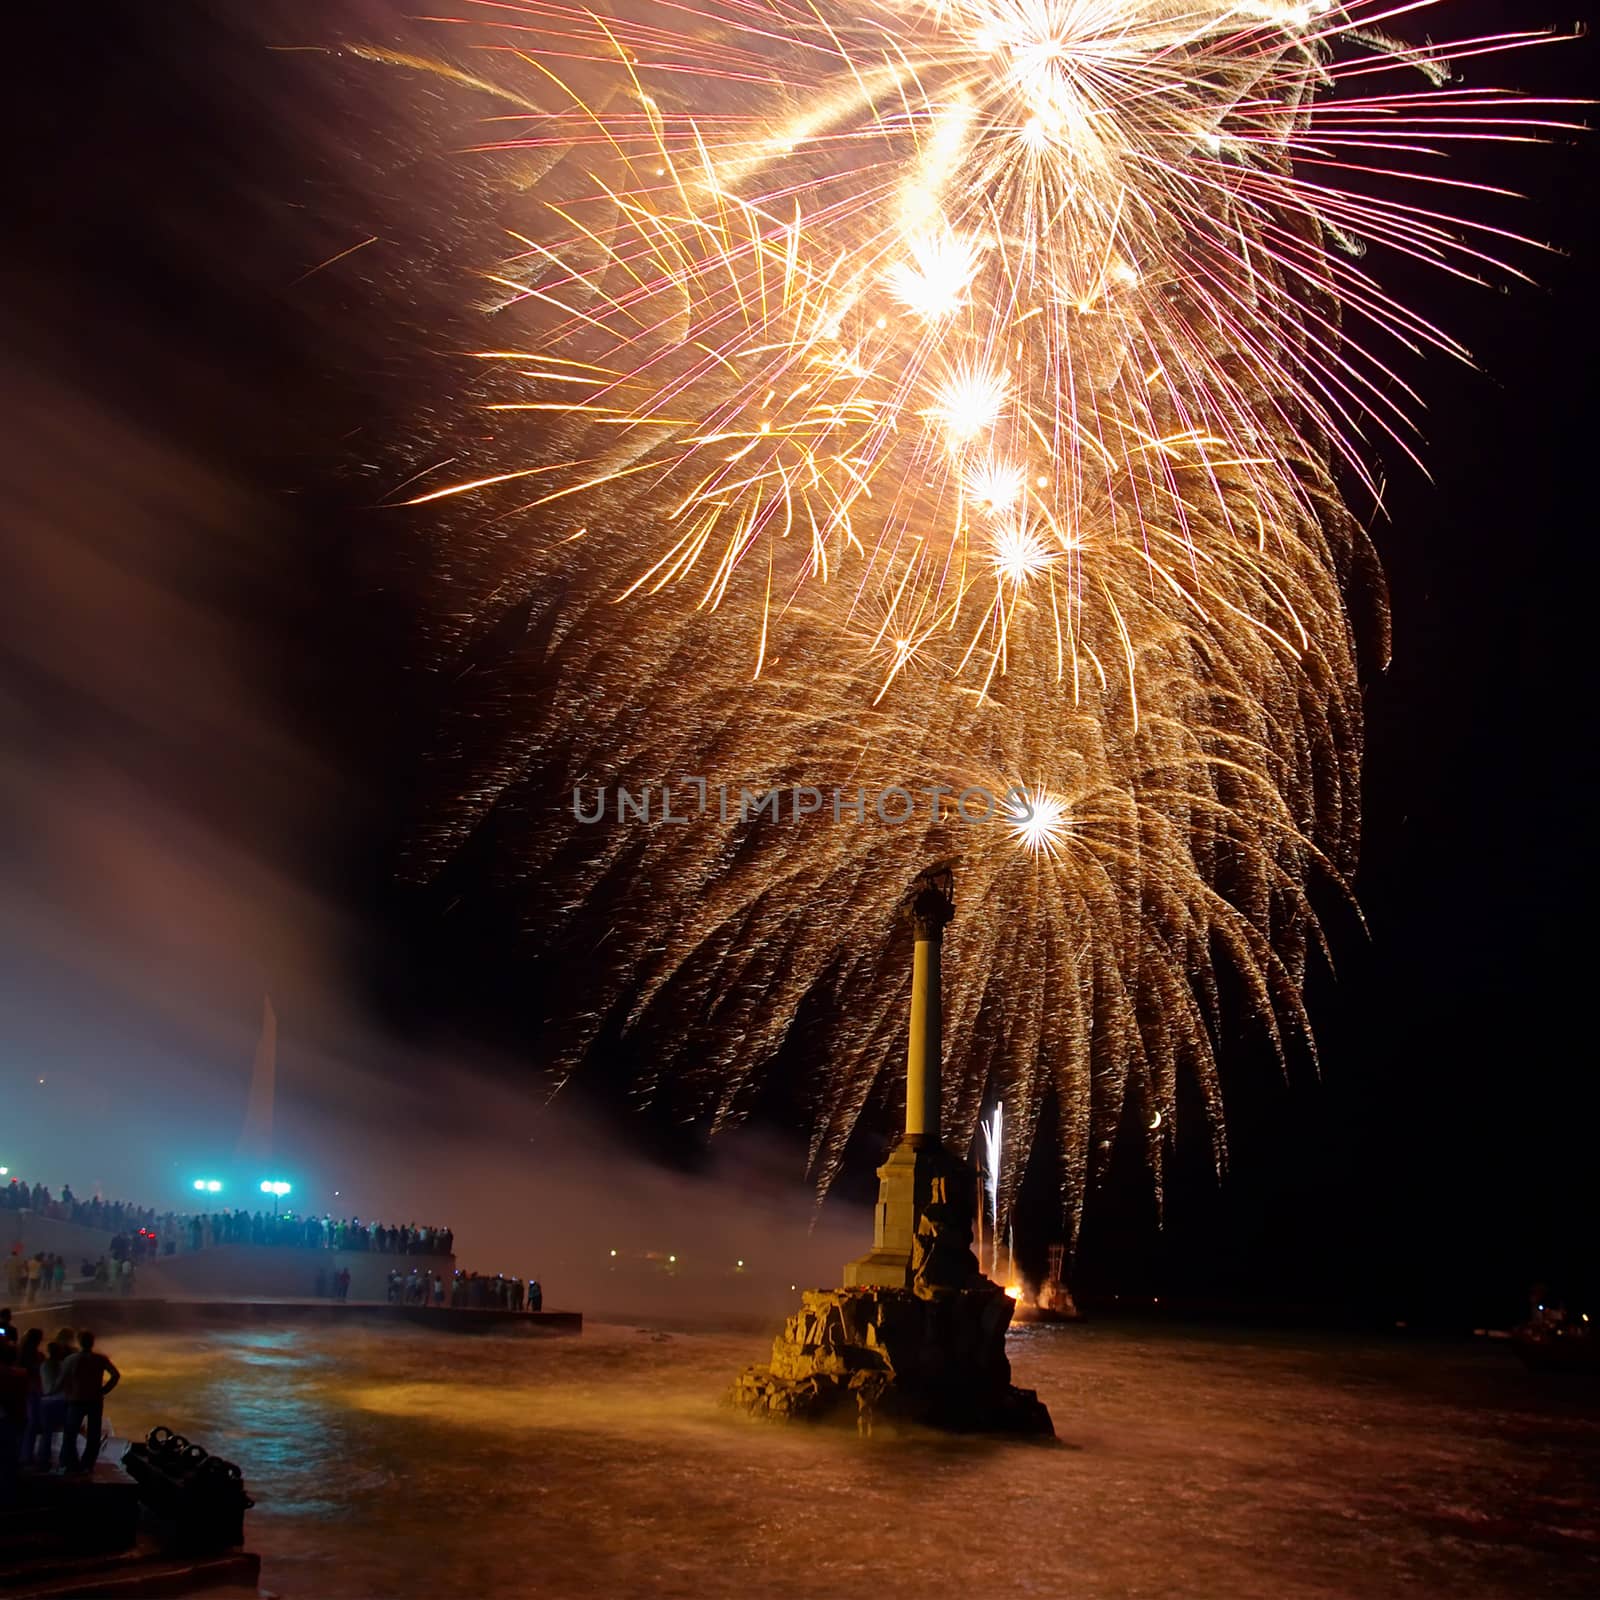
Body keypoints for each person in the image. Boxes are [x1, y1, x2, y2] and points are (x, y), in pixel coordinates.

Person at [59, 1330, 119, 1473]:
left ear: (79, 1342)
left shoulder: (71, 1359)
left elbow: (63, 1380)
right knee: (93, 1434)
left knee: (70, 1433)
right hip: (95, 1399)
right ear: (92, 1342)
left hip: (76, 1399)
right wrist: (104, 1390)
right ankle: (88, 1463)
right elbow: (115, 1375)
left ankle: (71, 1462)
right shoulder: (100, 1359)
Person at [35, 1339, 70, 1469]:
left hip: (46, 1402)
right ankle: (65, 1459)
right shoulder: (63, 1365)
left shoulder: (44, 1365)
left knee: (47, 1433)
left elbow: (45, 1385)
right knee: (67, 1432)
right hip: (61, 1401)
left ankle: (43, 1460)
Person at [17, 1328, 44, 1465]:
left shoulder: (18, 1353)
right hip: (32, 1391)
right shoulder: (38, 1356)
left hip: (21, 1391)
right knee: (31, 1425)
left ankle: (20, 1454)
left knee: (22, 1424)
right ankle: (26, 1456)